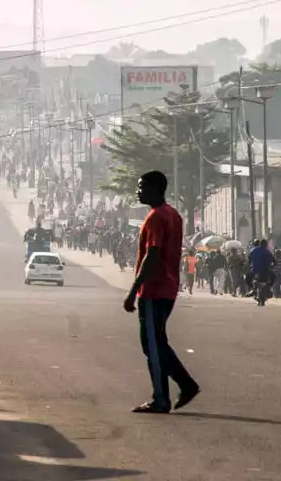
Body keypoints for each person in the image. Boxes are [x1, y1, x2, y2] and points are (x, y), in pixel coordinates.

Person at [122, 170, 199, 414]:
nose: (139, 191)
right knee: (157, 342)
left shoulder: (156, 217)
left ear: (157, 189)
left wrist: (133, 289)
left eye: (143, 187)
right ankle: (185, 385)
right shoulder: (174, 215)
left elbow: (151, 255)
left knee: (153, 346)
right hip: (168, 287)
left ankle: (162, 398)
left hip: (154, 289)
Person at [248, 239, 275, 306]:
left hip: (255, 270)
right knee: (273, 276)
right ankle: (269, 289)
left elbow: (249, 259)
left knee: (248, 278)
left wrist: (250, 266)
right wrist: (273, 265)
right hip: (265, 271)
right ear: (265, 245)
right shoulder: (267, 251)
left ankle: (251, 289)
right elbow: (274, 260)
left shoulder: (253, 250)